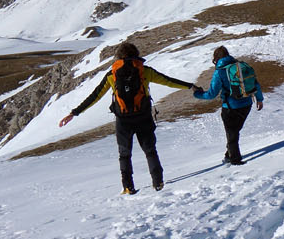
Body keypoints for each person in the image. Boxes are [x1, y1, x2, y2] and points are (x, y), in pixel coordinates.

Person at [58, 41, 198, 194]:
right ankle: (158, 183)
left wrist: (74, 113)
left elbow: (95, 96)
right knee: (150, 151)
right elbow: (168, 81)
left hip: (123, 120)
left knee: (124, 154)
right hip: (143, 116)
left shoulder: (112, 75)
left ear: (118, 56)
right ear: (136, 54)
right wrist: (190, 86)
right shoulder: (144, 71)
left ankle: (128, 187)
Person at [194, 45, 265, 166]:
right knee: (234, 133)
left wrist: (198, 94)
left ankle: (235, 161)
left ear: (216, 58)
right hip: (247, 104)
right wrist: (259, 99)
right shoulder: (240, 66)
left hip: (230, 107)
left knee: (232, 134)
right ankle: (229, 155)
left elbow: (212, 94)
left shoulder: (220, 71)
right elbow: (255, 83)